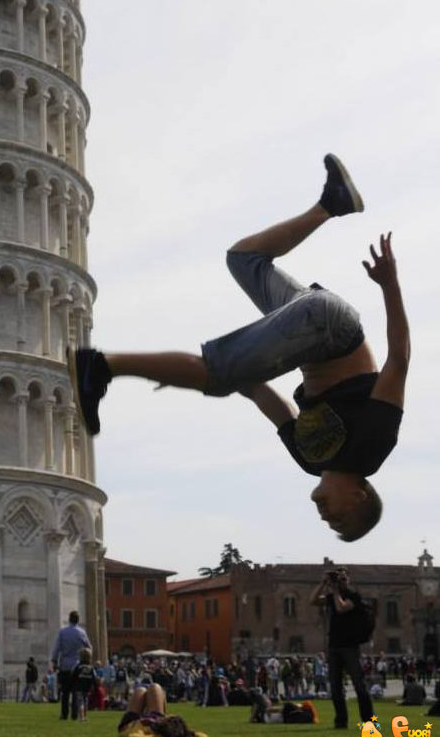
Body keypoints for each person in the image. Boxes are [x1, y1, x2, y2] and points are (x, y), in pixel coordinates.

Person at [68, 154, 410, 542]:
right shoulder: (372, 450)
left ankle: (332, 204)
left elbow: (269, 402)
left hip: (310, 334)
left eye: (331, 527)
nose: (327, 518)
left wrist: (198, 377)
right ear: (359, 494)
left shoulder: (310, 461)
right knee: (216, 375)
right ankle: (99, 365)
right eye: (341, 520)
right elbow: (398, 361)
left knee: (243, 258)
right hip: (332, 328)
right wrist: (389, 285)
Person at [310, 567, 373, 728]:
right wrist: (323, 583)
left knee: (359, 685)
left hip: (350, 647)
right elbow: (313, 601)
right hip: (334, 647)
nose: (342, 582)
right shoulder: (331, 596)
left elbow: (341, 607)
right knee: (336, 687)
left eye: (344, 579)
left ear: (349, 580)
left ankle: (368, 720)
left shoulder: (354, 597)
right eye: (339, 579)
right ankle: (341, 721)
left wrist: (335, 590)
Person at [51, 610, 91, 720]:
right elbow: (88, 646)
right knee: (75, 691)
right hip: (77, 665)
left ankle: (64, 714)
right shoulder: (81, 632)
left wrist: (54, 661)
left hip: (65, 664)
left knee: (65, 691)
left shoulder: (62, 632)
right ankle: (74, 714)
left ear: (69, 619)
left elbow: (57, 648)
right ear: (78, 620)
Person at [72, 647, 98, 720]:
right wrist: (95, 687)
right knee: (85, 701)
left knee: (80, 702)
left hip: (79, 687)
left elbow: (74, 675)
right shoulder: (91, 668)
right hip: (87, 687)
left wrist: (73, 684)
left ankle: (81, 716)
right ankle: (85, 716)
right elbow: (94, 678)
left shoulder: (79, 667)